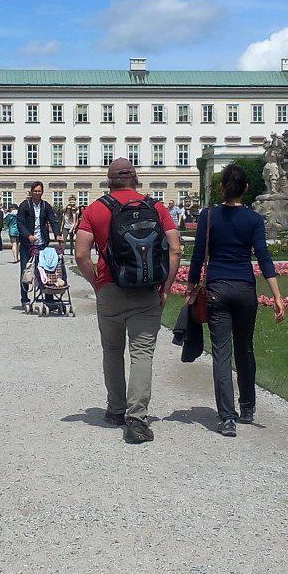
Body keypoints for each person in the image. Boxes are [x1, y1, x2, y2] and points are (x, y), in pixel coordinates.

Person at [74, 158, 181, 445]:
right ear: (136, 179)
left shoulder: (95, 209)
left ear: (109, 181)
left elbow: (82, 255)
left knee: (112, 350)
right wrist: (166, 286)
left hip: (110, 287)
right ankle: (136, 418)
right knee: (142, 353)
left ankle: (115, 408)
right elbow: (175, 250)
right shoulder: (156, 207)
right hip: (147, 290)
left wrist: (96, 282)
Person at [189, 163, 288, 436]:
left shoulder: (208, 216)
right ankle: (247, 407)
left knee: (222, 353)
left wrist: (190, 286)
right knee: (245, 348)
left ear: (222, 188)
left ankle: (227, 417)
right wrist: (277, 296)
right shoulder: (254, 220)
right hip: (245, 289)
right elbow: (264, 258)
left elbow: (198, 256)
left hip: (218, 288)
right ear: (246, 188)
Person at [14, 181, 59, 309]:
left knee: (46, 269)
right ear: (31, 192)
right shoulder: (25, 205)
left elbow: (53, 220)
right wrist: (28, 235)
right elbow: (20, 223)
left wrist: (57, 234)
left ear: (42, 192)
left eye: (39, 191)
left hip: (42, 244)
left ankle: (48, 298)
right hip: (27, 245)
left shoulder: (46, 206)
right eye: (35, 191)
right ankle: (25, 298)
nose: (37, 193)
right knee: (26, 270)